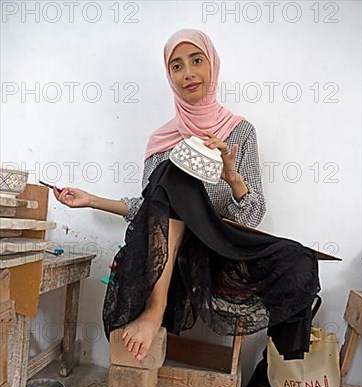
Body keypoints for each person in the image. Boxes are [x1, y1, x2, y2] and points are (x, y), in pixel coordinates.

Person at [54, 29, 320, 363]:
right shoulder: (161, 139)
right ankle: (156, 307)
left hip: (218, 248)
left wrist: (232, 176)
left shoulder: (240, 131)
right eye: (176, 66)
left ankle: (277, 368)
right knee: (174, 171)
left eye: (197, 60)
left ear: (213, 66)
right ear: (170, 77)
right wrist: (91, 199)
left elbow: (251, 217)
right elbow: (151, 208)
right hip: (173, 254)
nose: (188, 73)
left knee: (297, 257)